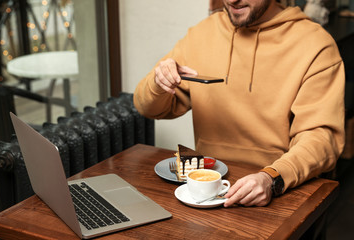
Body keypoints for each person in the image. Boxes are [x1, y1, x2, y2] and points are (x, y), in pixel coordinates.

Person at [133, 0, 345, 207]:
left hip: (279, 190)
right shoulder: (202, 34)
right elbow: (148, 108)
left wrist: (271, 178)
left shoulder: (315, 45)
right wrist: (158, 82)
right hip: (208, 188)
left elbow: (322, 138)